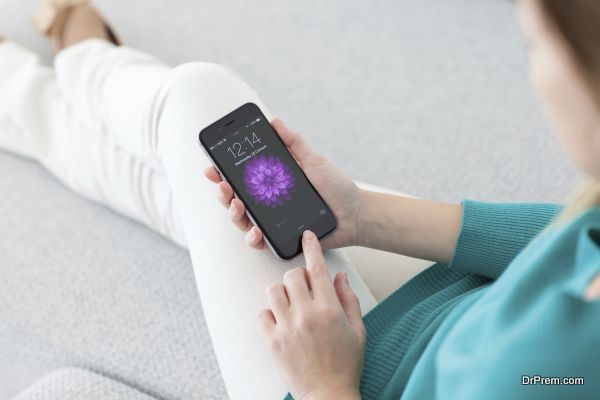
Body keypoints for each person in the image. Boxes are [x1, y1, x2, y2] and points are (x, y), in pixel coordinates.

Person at [0, 0, 599, 399]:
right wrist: (363, 217)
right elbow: (566, 236)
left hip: (350, 378)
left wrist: (324, 380)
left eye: (533, 47)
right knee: (200, 191)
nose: (533, 72)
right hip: (446, 300)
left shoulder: (562, 362)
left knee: (195, 98)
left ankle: (84, 60)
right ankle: (50, 76)